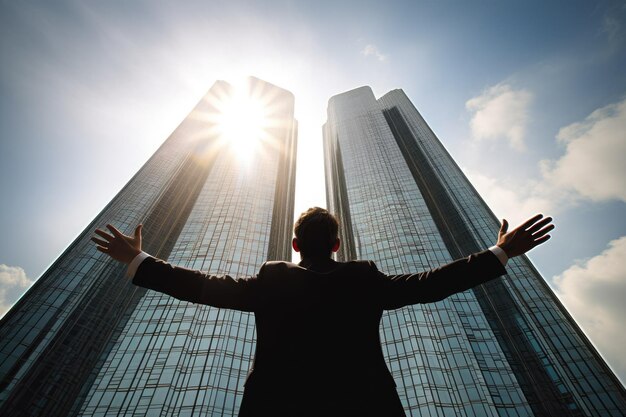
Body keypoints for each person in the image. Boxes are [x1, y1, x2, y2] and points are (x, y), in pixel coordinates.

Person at [92, 207, 554, 417]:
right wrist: (500, 253)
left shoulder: (273, 280)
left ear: (295, 246)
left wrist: (140, 261)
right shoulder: (364, 279)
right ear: (337, 245)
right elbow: (432, 284)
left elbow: (204, 287)